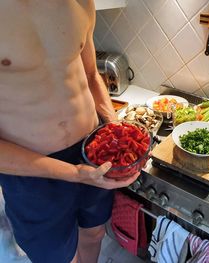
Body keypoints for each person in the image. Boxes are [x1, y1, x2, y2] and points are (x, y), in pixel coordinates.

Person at [0, 1, 140, 262]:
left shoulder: (79, 3)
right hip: (33, 174)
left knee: (94, 232)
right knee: (57, 257)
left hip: (92, 152)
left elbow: (89, 74)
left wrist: (113, 126)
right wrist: (73, 173)